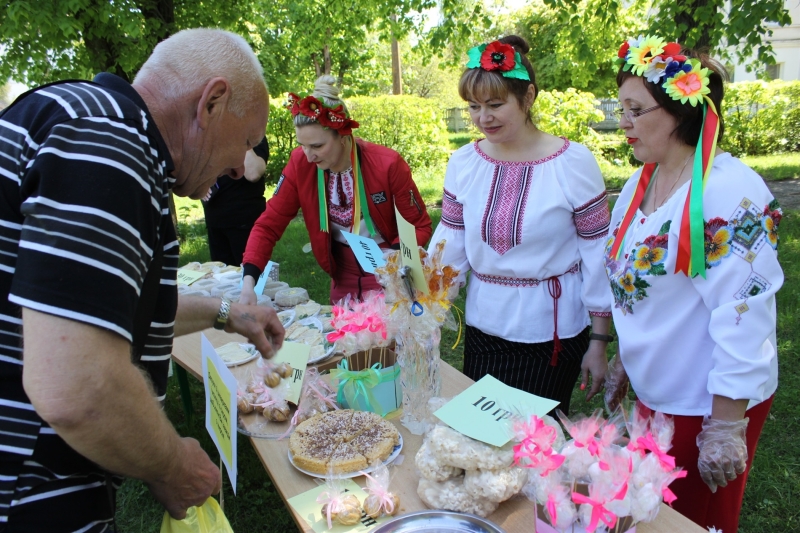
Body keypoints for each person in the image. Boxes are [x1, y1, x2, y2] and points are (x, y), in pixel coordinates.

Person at [0, 28, 285, 531]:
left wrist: (226, 312)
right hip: (25, 486)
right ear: (212, 102)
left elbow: (98, 305)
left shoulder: (86, 118)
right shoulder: (112, 147)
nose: (242, 169)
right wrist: (173, 464)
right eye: (246, 142)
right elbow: (76, 386)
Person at [603, 36, 783, 531]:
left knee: (687, 521)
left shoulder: (729, 191)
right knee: (649, 514)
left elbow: (745, 309)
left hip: (704, 403)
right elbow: (639, 283)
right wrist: (627, 357)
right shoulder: (645, 181)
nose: (623, 123)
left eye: (636, 110)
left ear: (681, 113)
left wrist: (725, 425)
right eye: (621, 109)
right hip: (657, 391)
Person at [429, 36, 612, 415]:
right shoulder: (464, 162)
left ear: (527, 97)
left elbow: (597, 255)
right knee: (479, 435)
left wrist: (599, 339)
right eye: (474, 107)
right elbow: (451, 245)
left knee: (533, 448)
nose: (483, 117)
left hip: (552, 335)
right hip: (485, 328)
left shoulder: (572, 163)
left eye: (495, 105)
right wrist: (430, 309)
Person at [240, 75, 432, 304]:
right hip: (342, 274)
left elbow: (419, 225)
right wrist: (248, 282)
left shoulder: (387, 164)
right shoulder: (300, 164)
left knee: (387, 337)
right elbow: (268, 224)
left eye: (317, 146)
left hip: (388, 272)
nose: (309, 156)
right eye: (302, 145)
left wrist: (393, 256)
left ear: (343, 135)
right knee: (345, 336)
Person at [202, 138, 270, 266]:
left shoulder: (255, 136)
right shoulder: (211, 133)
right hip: (215, 220)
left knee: (252, 275)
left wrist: (240, 134)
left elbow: (253, 174)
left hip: (244, 220)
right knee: (223, 279)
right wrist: (200, 186)